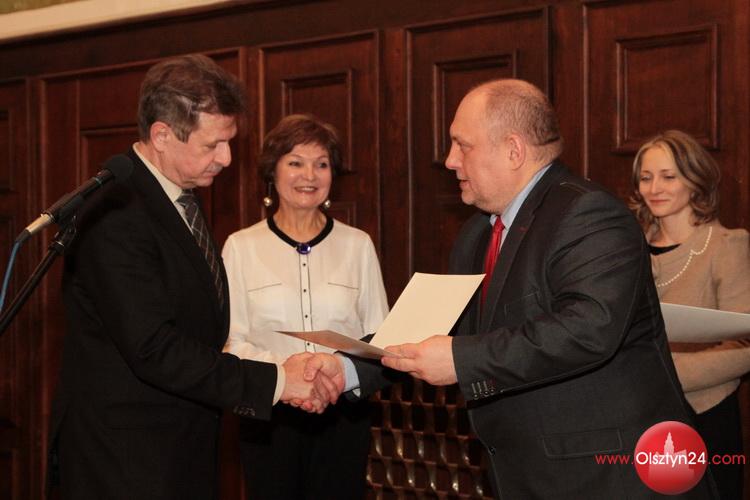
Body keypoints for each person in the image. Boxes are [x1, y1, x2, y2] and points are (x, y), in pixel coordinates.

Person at [306, 79, 719, 498]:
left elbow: (589, 327)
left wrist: (461, 359)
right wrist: (348, 368)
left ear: (513, 150)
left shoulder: (588, 213)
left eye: (462, 145)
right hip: (527, 473)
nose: (449, 161)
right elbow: (436, 325)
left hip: (610, 476)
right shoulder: (476, 233)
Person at [47, 54, 336, 500]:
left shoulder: (179, 194)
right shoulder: (114, 211)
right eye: (212, 145)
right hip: (125, 463)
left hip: (178, 447)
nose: (226, 158)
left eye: (229, 142)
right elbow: (154, 347)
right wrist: (276, 380)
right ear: (162, 135)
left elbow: (197, 325)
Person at [221, 113, 388, 499]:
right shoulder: (241, 247)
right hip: (270, 415)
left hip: (344, 414)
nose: (309, 175)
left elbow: (378, 336)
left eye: (322, 164)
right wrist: (288, 377)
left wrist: (331, 378)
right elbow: (232, 341)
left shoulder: (358, 244)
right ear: (273, 171)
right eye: (295, 162)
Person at [631, 129, 750, 499]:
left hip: (703, 415)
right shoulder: (626, 246)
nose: (655, 188)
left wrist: (663, 375)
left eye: (669, 177)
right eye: (646, 177)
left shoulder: (726, 245)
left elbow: (745, 344)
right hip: (633, 414)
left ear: (695, 180)